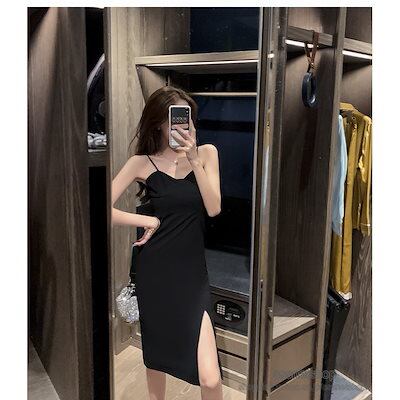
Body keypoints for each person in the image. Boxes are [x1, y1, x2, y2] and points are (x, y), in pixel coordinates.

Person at [111, 86, 224, 400]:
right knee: (156, 357)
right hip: (155, 272)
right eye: (174, 117)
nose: (183, 124)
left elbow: (214, 208)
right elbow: (102, 209)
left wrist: (193, 159)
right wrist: (148, 221)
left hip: (192, 275)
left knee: (210, 378)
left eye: (188, 117)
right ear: (159, 123)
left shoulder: (207, 153)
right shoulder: (141, 162)